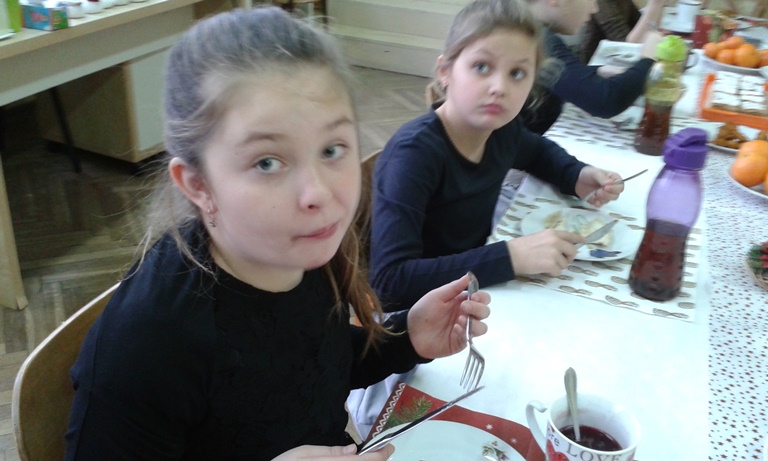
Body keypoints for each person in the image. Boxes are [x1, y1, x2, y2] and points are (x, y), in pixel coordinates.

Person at [63, 7, 491, 461]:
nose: (318, 192)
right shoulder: (149, 341)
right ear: (198, 185)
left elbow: (310, 367)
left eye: (332, 149)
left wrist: (406, 338)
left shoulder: (305, 249)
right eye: (267, 162)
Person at [367, 0, 625, 314]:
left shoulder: (501, 129)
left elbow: (537, 151)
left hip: (473, 284)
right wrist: (510, 257)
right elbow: (390, 282)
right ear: (445, 71)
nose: (499, 87)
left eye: (517, 73)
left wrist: (576, 174)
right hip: (415, 314)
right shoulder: (414, 156)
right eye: (481, 67)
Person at [519, 0, 664, 134]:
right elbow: (605, 101)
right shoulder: (537, 40)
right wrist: (648, 60)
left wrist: (594, 71)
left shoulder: (530, 30)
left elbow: (558, 76)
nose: (595, 9)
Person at [579, 0, 667, 64]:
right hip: (593, 64)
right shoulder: (602, 3)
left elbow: (647, 28)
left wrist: (660, 4)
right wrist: (655, 4)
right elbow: (626, 44)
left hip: (618, 58)